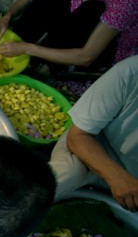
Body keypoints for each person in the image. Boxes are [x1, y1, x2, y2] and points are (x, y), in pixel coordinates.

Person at [49, 55, 138, 211]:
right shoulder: (129, 73)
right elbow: (79, 136)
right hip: (93, 150)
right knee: (66, 174)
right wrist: (118, 177)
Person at [0, 0, 137, 73]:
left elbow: (87, 56)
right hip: (67, 27)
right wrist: (6, 17)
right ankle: (20, 48)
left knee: (92, 8)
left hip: (95, 56)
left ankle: (52, 67)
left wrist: (28, 48)